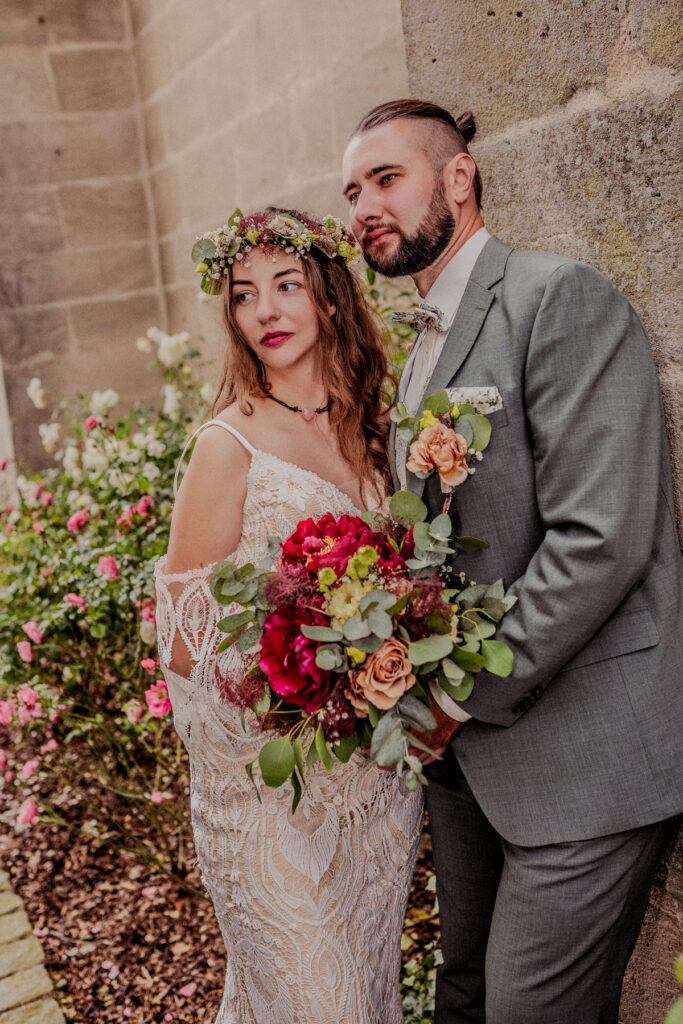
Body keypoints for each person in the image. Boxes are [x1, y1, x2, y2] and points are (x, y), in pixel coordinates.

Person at [342, 99, 683, 1024]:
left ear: (458, 178)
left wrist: (453, 699)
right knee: (463, 995)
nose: (364, 206)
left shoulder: (556, 297)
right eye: (352, 192)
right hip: (466, 767)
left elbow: (600, 539)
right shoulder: (420, 341)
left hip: (585, 758)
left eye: (386, 179)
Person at [154, 207, 423, 1024]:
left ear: (329, 296)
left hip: (373, 790)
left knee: (365, 998)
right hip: (267, 797)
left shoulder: (374, 432)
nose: (265, 310)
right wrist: (298, 678)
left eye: (285, 286)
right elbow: (184, 643)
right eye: (244, 295)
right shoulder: (227, 444)